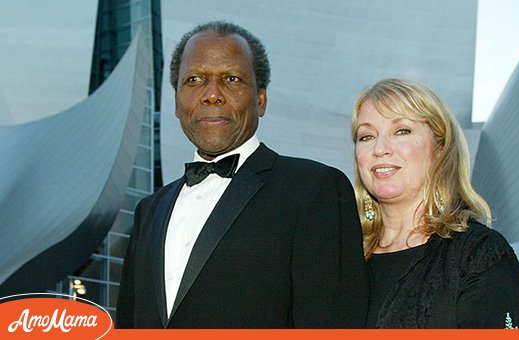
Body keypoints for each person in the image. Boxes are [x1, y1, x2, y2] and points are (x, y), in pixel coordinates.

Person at [117, 21, 369, 328]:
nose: (212, 95)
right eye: (194, 80)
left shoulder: (314, 190)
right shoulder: (149, 211)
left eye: (231, 79)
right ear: (176, 102)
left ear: (260, 99)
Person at [352, 78, 519, 328]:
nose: (380, 148)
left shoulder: (478, 255)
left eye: (402, 131)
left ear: (439, 148)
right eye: (366, 136)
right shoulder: (339, 257)